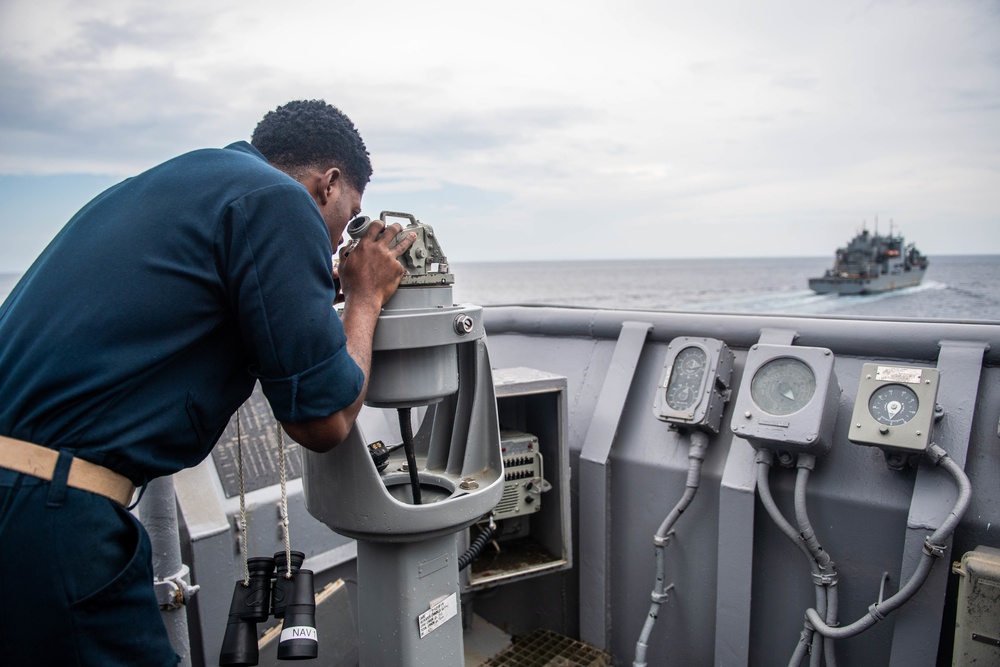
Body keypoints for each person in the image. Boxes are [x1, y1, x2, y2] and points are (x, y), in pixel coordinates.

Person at [0, 99, 415, 665]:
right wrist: (364, 298)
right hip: (51, 514)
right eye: (350, 216)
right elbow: (325, 420)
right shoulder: (280, 200)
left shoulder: (170, 186)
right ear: (329, 184)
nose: (343, 241)